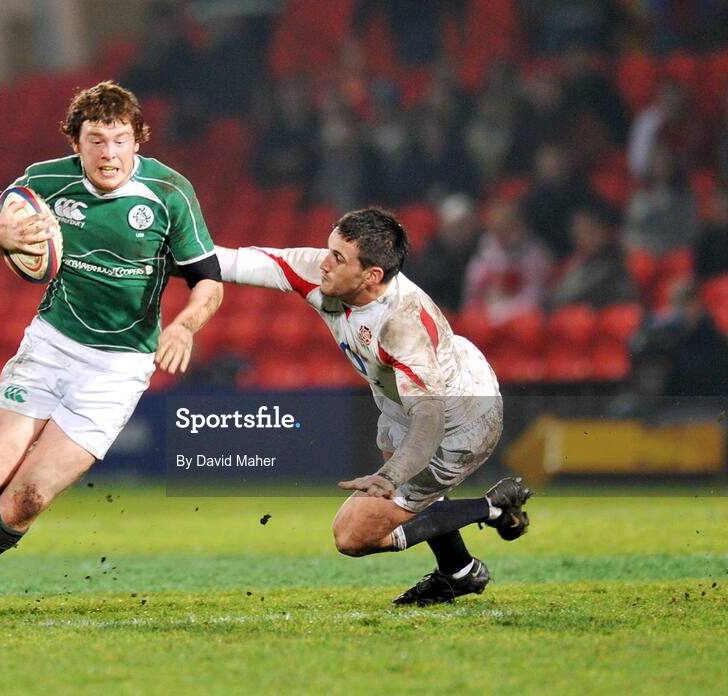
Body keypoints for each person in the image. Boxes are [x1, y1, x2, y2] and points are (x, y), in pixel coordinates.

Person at [0, 81, 224, 622]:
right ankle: (11, 477)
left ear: (138, 141)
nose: (109, 153)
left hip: (119, 369)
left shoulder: (169, 192)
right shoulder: (44, 181)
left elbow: (208, 282)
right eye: (95, 140)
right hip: (51, 347)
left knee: (27, 498)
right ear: (75, 143)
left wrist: (186, 327)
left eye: (120, 140)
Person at [216, 208, 532, 606]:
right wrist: (148, 255)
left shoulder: (401, 325)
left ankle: (492, 508)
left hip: (458, 421)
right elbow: (239, 262)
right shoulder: (327, 275)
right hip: (407, 402)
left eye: (338, 258)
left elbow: (429, 421)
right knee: (417, 497)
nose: (323, 263)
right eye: (329, 249)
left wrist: (392, 473)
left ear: (373, 276)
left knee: (353, 535)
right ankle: (460, 572)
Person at [548, 203, 636, 309]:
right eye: (577, 232)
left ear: (603, 230)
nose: (581, 237)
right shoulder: (574, 262)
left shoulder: (617, 261)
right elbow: (554, 297)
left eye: (587, 231)